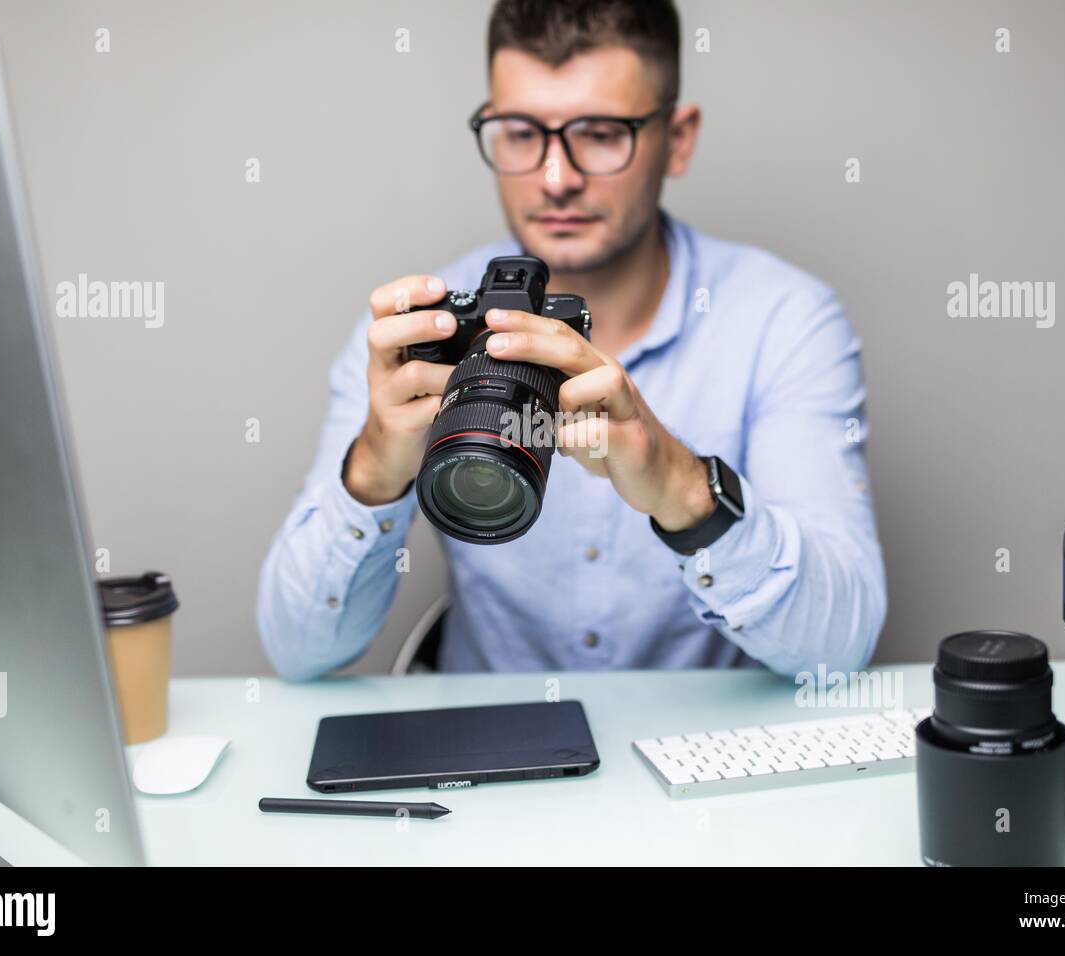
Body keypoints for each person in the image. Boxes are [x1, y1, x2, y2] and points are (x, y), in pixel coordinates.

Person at [257, 0, 885, 677]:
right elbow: (299, 654)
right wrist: (374, 471)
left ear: (677, 137)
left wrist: (681, 486)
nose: (556, 178)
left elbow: (838, 653)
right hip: (487, 757)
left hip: (699, 757)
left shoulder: (782, 319)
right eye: (520, 132)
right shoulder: (415, 333)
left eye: (600, 132)